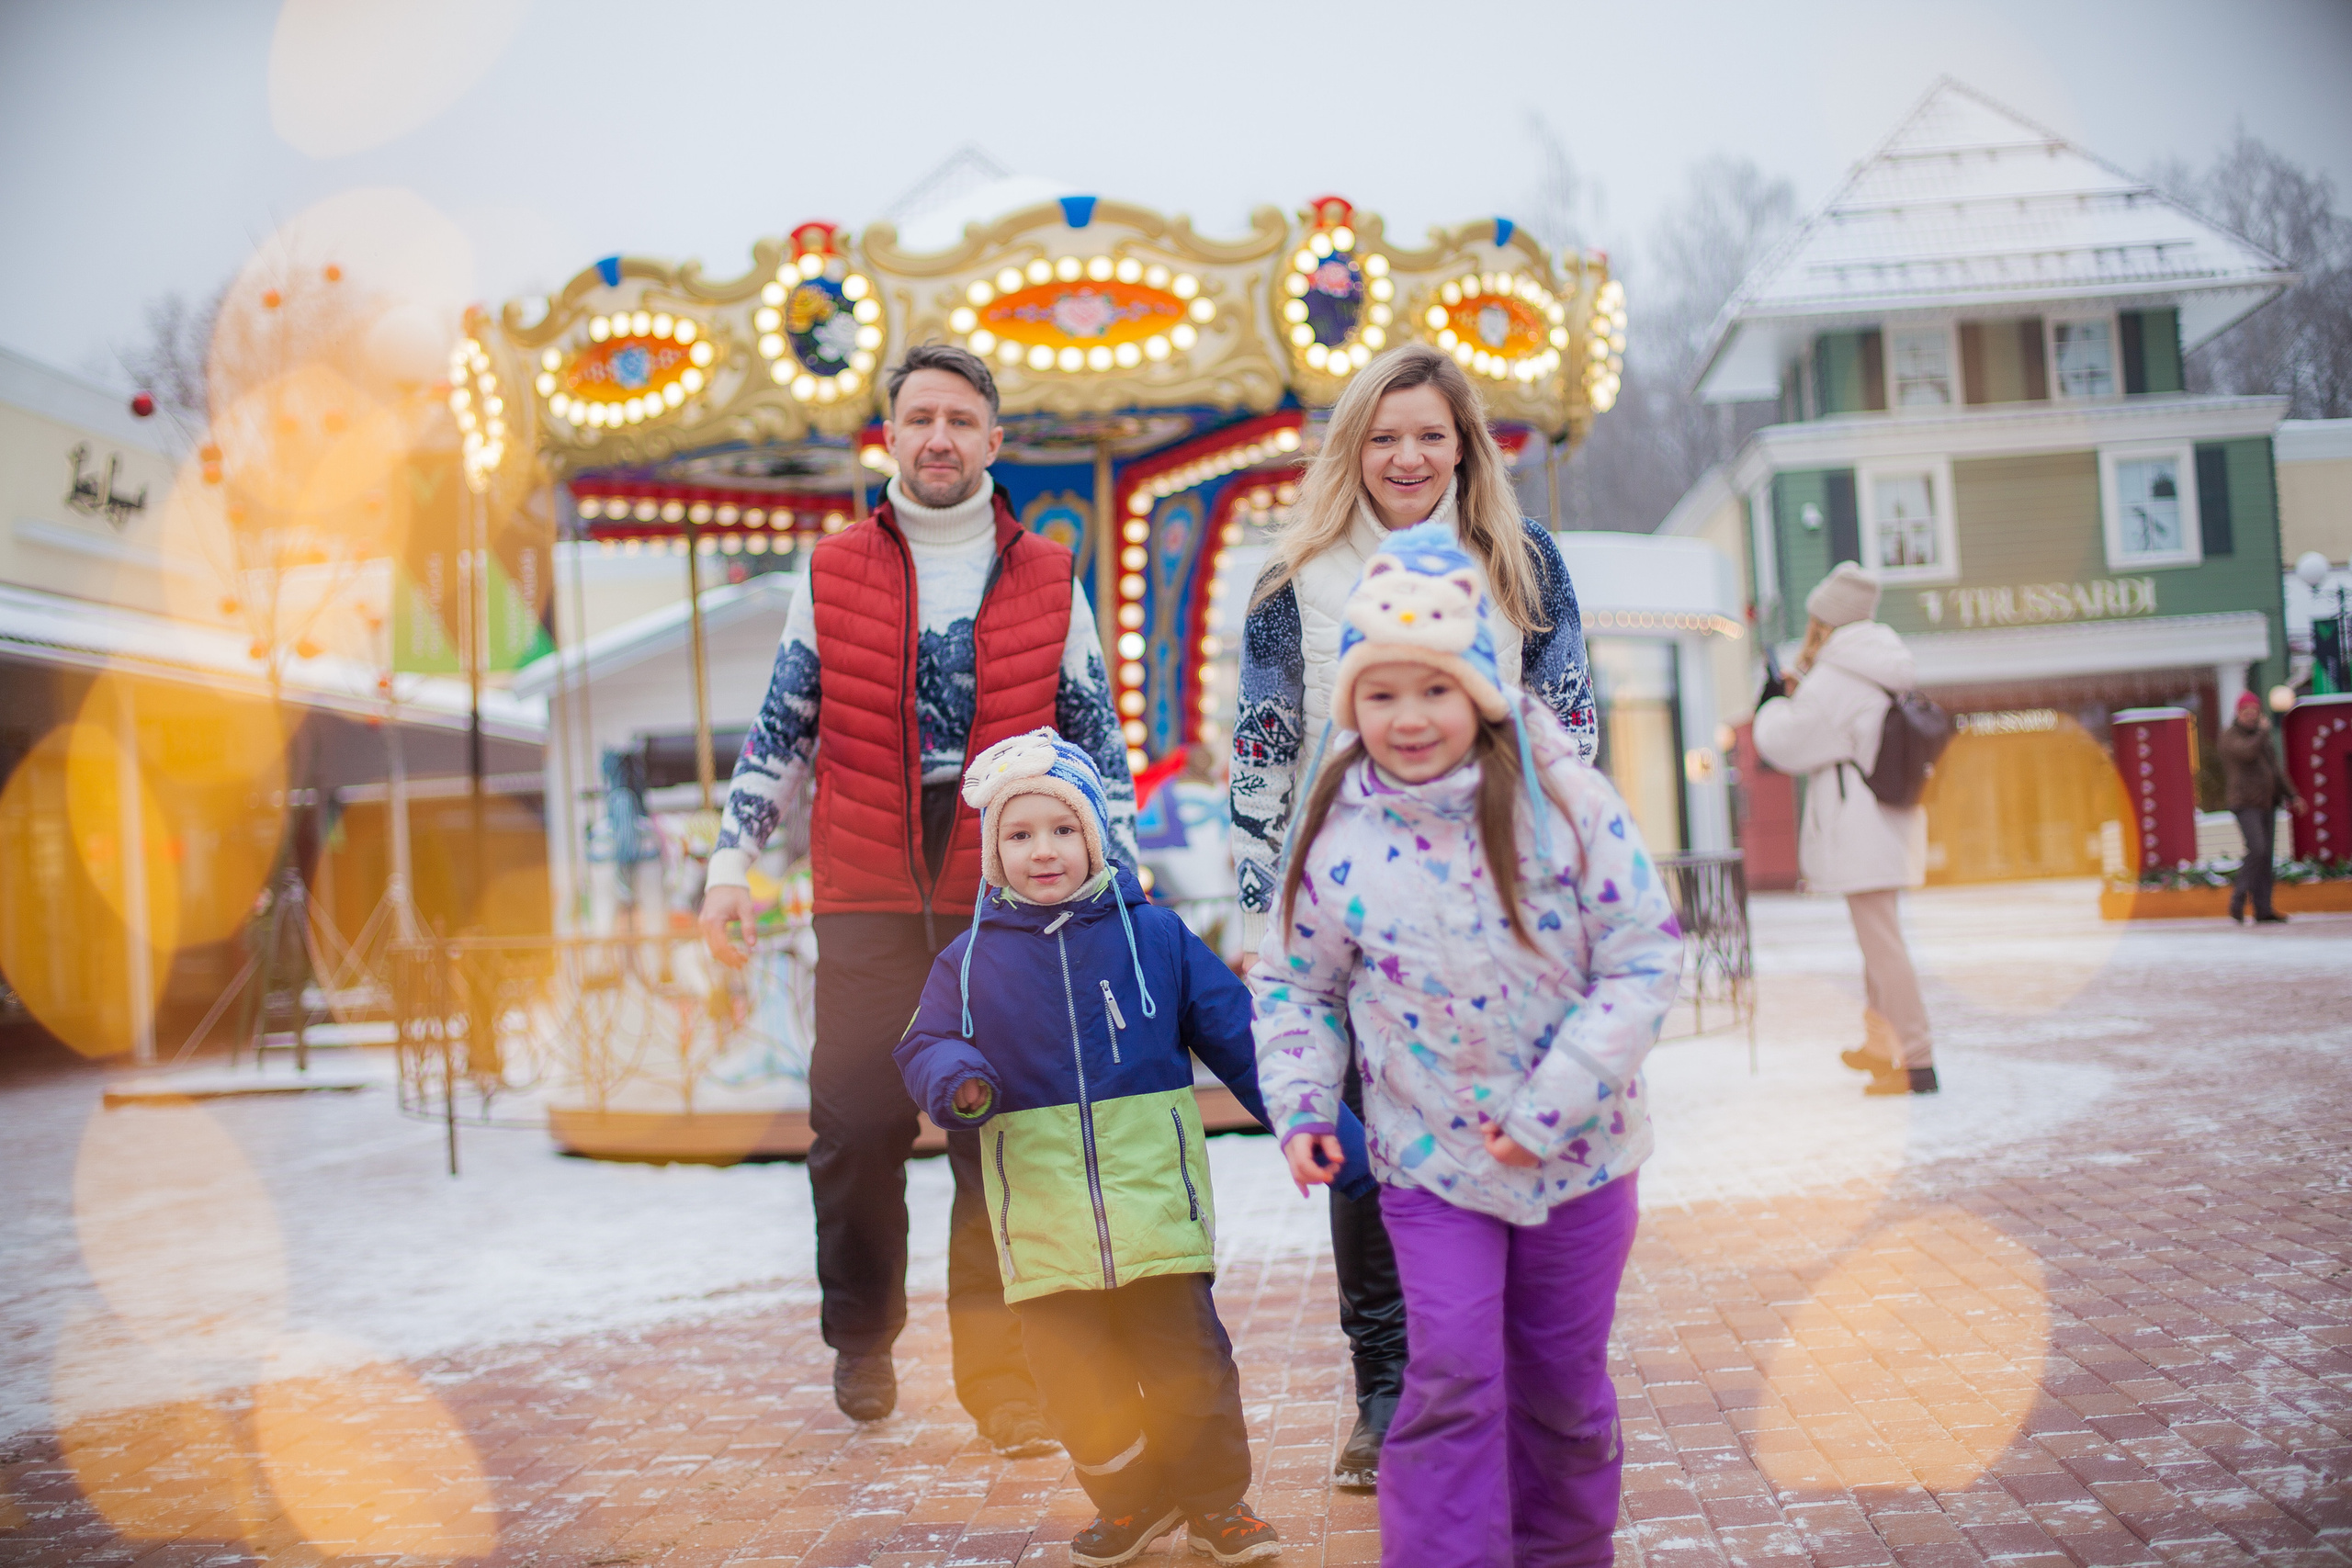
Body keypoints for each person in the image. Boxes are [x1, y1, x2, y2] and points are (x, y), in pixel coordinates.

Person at [699, 344, 1137, 1446]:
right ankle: (861, 1338)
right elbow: (781, 730)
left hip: (1004, 897)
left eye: (960, 419)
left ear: (995, 442)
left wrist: (1119, 890)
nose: (938, 437)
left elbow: (1097, 745)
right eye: (918, 418)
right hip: (865, 894)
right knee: (854, 1128)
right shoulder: (832, 569)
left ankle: (1001, 1379)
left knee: (1000, 1138)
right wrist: (727, 866)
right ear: (890, 438)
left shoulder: (1050, 576)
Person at [1251, 524, 1680, 1568]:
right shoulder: (1336, 823)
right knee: (1446, 1383)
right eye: (1382, 692)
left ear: (1480, 688)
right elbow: (1295, 979)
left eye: (1433, 690)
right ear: (1352, 700)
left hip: (1576, 1160)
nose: (1408, 718)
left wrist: (1549, 1112)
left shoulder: (1562, 799)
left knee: (1561, 1395)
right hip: (1434, 1166)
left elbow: (1644, 955)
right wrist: (1305, 1102)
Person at [1229, 341, 1598, 1487]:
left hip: (1501, 903)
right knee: (1368, 1157)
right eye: (1382, 436)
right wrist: (1259, 913)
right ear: (1352, 448)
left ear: (1462, 444)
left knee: (1506, 1133)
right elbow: (1260, 757)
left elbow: (1571, 724)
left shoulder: (1522, 561)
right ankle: (1384, 1390)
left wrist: (1571, 884)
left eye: (1428, 434)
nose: (1405, 455)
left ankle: (1506, 1370)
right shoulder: (1292, 582)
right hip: (1348, 906)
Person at [896, 729, 1369, 1566]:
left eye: (1063, 829)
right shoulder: (967, 964)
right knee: (1079, 1391)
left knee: (1191, 1372)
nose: (1044, 850)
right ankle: (1134, 1498)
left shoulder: (1156, 941)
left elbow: (1243, 1039)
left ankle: (1219, 1504)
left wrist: (1323, 1129)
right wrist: (957, 1074)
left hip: (1155, 1211)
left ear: (1097, 836)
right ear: (994, 850)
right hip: (1043, 1229)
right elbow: (924, 1041)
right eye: (1020, 833)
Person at [1752, 561, 1938, 1096]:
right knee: (1879, 943)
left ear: (1826, 621)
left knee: (1883, 947)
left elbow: (1787, 741)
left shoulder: (1837, 676)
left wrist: (1772, 702)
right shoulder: (1876, 662)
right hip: (1888, 822)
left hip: (1861, 829)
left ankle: (1917, 1058)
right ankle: (1884, 1048)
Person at [2218, 690, 2307, 924]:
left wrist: (2293, 796)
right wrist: (2264, 732)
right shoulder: (2230, 736)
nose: (2251, 716)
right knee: (2257, 849)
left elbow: (2276, 770)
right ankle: (2238, 900)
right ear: (2238, 713)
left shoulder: (2261, 737)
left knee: (2265, 856)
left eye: (2254, 712)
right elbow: (2247, 753)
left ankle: (2263, 909)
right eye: (2247, 712)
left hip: (2268, 802)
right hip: (2245, 803)